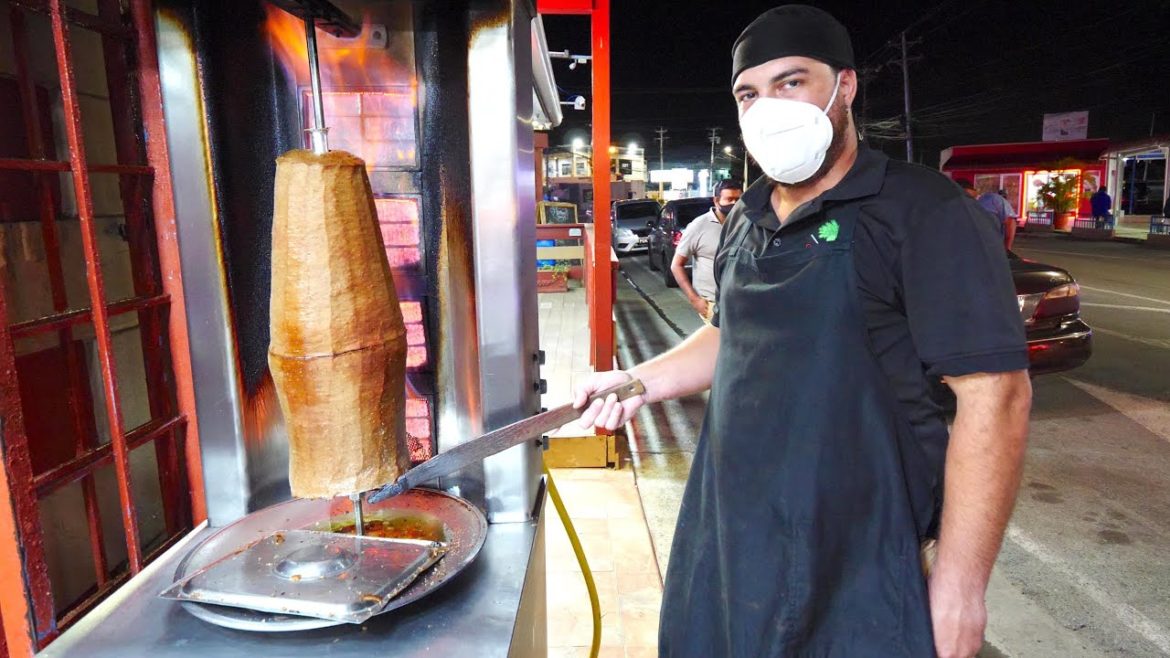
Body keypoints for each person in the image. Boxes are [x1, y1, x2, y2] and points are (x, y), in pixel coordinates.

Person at [573, 6, 1031, 657]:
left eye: (792, 83)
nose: (768, 108)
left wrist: (961, 588)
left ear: (844, 87)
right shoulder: (747, 217)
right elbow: (734, 335)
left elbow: (997, 396)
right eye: (749, 94)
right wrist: (639, 379)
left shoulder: (922, 211)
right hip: (731, 536)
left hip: (862, 555)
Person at [671, 179, 743, 321]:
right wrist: (694, 299)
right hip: (713, 305)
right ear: (716, 201)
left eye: (738, 200)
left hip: (741, 302)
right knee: (719, 342)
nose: (734, 204)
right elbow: (676, 265)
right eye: (729, 199)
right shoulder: (699, 226)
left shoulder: (745, 223)